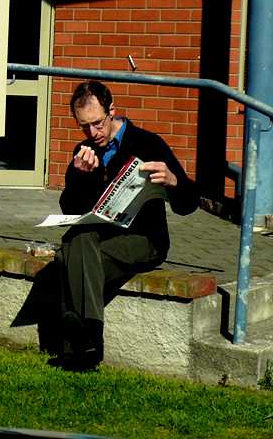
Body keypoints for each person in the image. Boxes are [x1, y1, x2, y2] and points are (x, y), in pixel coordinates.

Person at [50, 80, 200, 371]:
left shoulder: (148, 143)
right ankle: (88, 344)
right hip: (100, 238)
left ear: (112, 112)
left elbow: (189, 204)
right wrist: (81, 176)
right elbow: (70, 208)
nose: (92, 133)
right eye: (83, 126)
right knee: (76, 241)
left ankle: (76, 346)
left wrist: (173, 182)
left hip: (144, 239)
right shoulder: (83, 150)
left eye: (97, 123)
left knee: (68, 255)